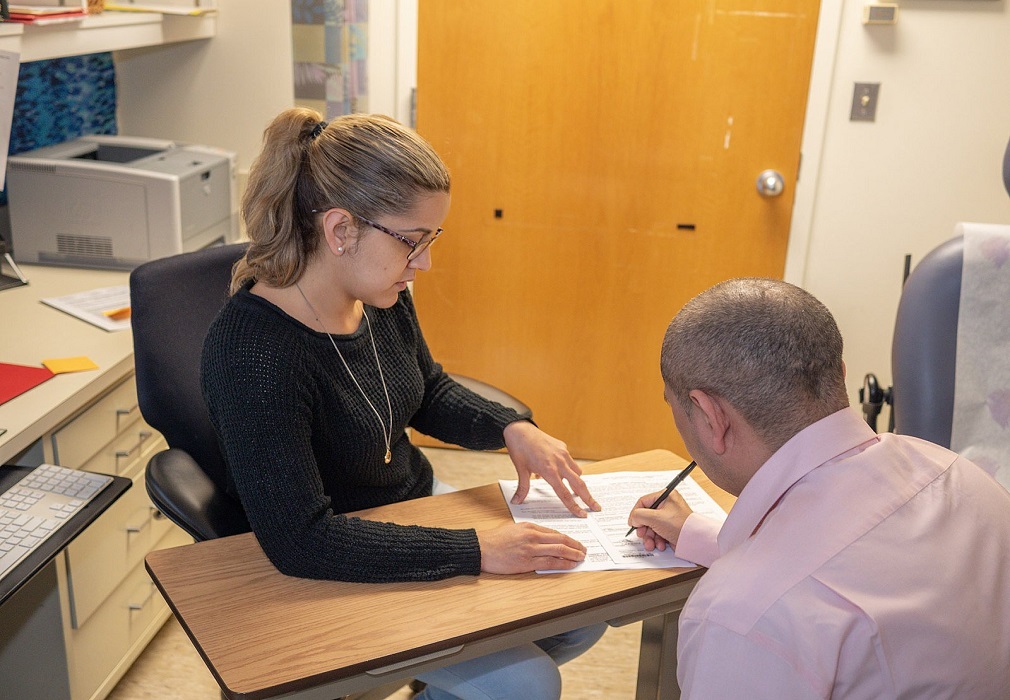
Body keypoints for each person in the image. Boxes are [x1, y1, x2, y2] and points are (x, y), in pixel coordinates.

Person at [201, 108, 605, 700]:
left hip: (411, 512)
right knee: (527, 684)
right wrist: (476, 550)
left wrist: (513, 429)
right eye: (413, 242)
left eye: (431, 240)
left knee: (580, 612)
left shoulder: (378, 295)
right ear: (341, 231)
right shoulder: (255, 352)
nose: (425, 264)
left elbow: (427, 390)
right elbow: (302, 540)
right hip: (335, 553)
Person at [627, 278, 1010, 699]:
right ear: (839, 375)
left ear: (711, 415)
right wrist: (705, 537)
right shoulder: (959, 475)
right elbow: (857, 564)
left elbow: (800, 589)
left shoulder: (740, 618)